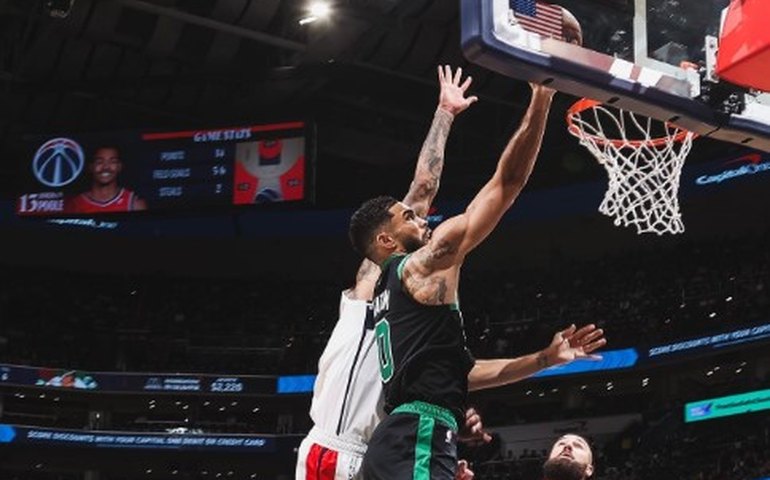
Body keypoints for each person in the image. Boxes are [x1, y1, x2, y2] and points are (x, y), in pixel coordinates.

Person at [350, 80, 558, 479]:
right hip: (417, 434)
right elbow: (506, 184)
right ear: (386, 239)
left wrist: (543, 360)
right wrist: (542, 96)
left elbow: (423, 187)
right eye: (408, 217)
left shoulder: (376, 287)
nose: (421, 216)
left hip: (394, 439)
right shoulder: (421, 266)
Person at [65, 145, 147, 213]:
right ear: (91, 167)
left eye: (112, 162)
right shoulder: (75, 204)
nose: (106, 167)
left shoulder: (134, 203)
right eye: (99, 162)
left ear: (119, 167)